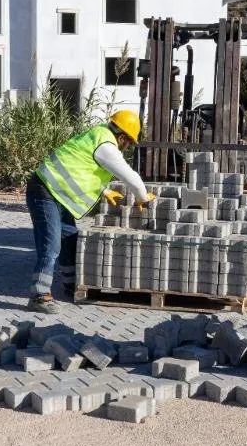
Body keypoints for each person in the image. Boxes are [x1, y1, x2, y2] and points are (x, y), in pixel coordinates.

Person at [25, 109, 152, 312]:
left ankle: (69, 284)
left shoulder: (98, 133)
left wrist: (104, 190)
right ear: (121, 137)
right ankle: (39, 296)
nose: (127, 147)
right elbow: (130, 176)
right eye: (128, 143)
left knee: (70, 237)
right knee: (51, 245)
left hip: (58, 193)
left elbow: (81, 167)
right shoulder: (106, 146)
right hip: (45, 191)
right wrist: (143, 197)